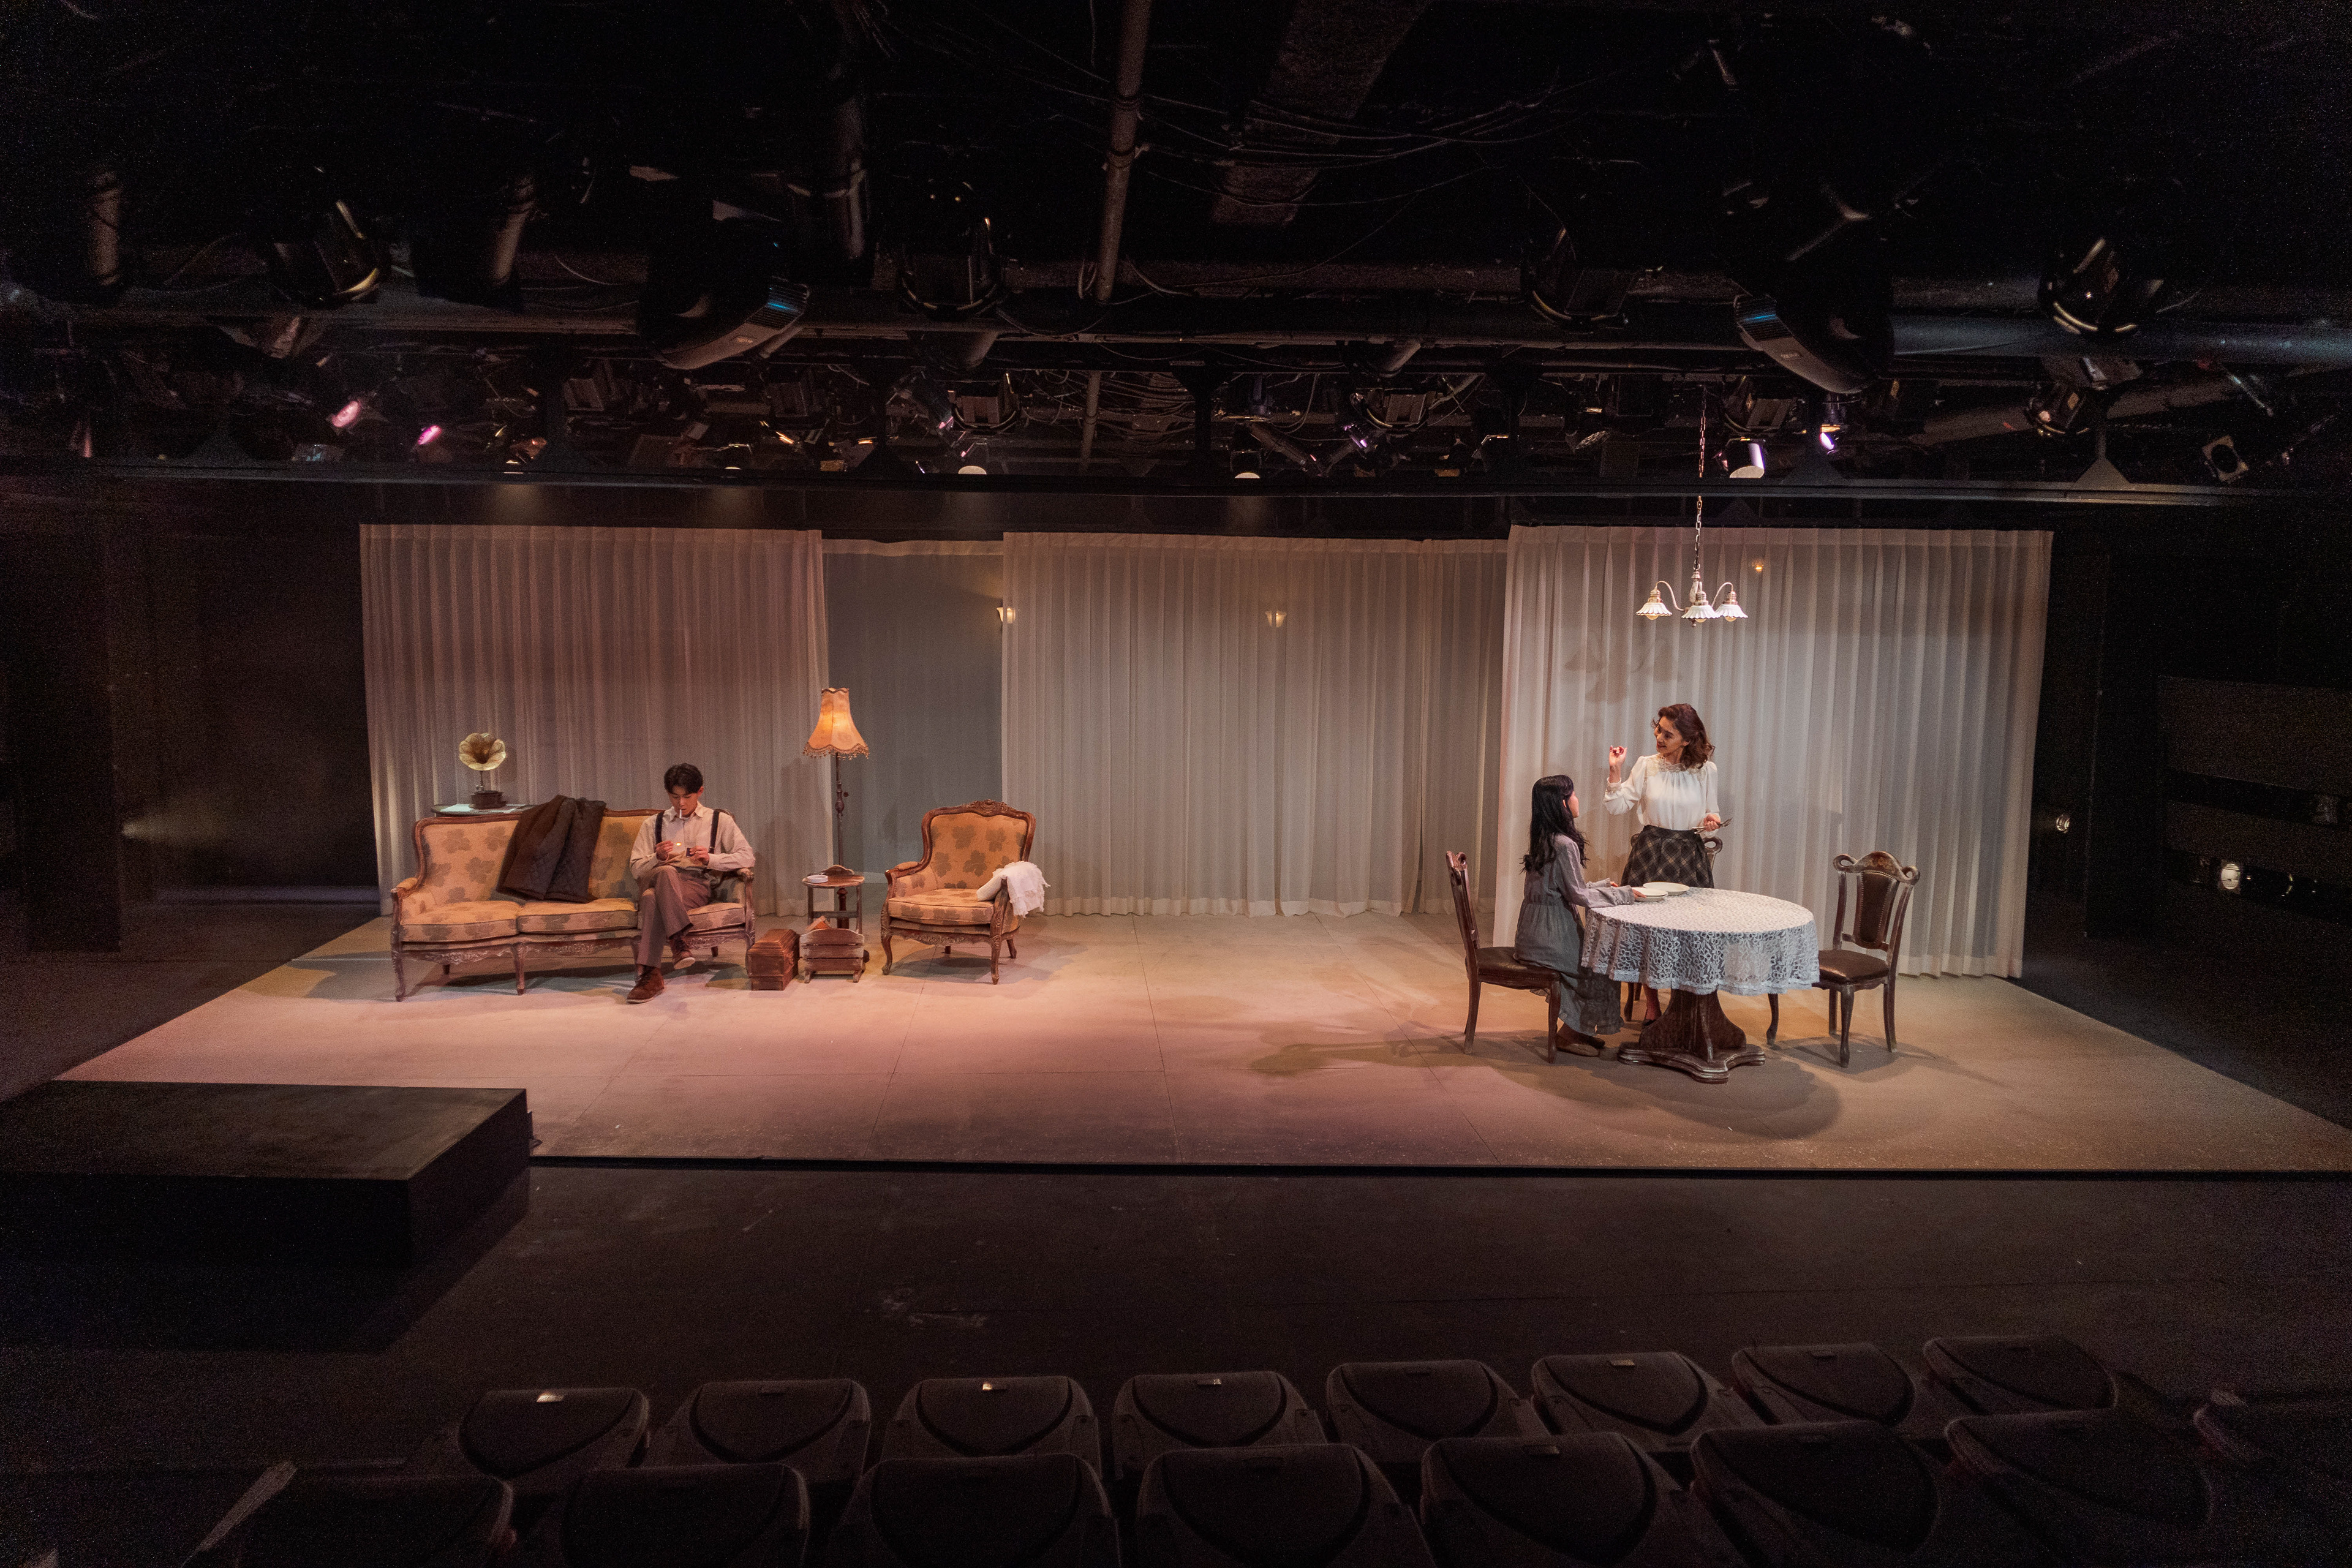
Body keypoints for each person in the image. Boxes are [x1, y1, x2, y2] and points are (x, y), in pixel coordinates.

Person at [1605, 702, 1724, 1022]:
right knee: (1649, 931)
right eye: (1658, 729)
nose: (1659, 737)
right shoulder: (1646, 765)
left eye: (1668, 734)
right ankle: (1653, 1006)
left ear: (1687, 739)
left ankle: (1684, 1006)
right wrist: (1615, 771)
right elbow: (1617, 807)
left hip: (1688, 853)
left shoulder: (1706, 771)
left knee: (1692, 931)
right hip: (1651, 851)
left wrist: (1711, 821)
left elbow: (1711, 813)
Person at [1513, 773, 1648, 1055]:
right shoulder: (1565, 844)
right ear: (1563, 803)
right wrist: (1624, 894)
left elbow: (1566, 888)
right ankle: (1569, 1035)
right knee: (1602, 967)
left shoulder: (1546, 838)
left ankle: (1579, 1030)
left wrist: (1603, 887)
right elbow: (1578, 896)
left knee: (1599, 963)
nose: (1577, 799)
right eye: (1573, 794)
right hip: (1550, 935)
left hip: (1533, 932)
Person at [627, 763, 755, 1003]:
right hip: (656, 877)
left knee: (651, 899)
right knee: (666, 872)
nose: (681, 803)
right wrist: (657, 858)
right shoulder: (653, 824)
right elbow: (635, 868)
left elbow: (747, 857)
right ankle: (679, 942)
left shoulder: (718, 820)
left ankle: (650, 976)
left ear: (700, 792)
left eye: (687, 797)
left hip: (694, 884)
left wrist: (711, 859)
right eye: (674, 797)